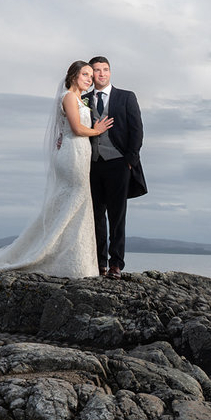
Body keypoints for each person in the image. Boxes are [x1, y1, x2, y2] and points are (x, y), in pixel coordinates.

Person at [0, 61, 114, 278]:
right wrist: (97, 131)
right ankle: (55, 254)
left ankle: (71, 256)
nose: (90, 79)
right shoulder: (69, 97)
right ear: (73, 76)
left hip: (80, 152)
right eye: (85, 74)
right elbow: (77, 128)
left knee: (77, 200)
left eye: (91, 75)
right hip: (72, 153)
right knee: (77, 196)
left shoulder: (80, 98)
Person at [85, 56, 145, 278]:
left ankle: (116, 264)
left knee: (117, 215)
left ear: (110, 72)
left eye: (105, 69)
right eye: (97, 70)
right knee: (96, 215)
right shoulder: (83, 99)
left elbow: (137, 130)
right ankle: (99, 263)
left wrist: (130, 160)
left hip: (119, 163)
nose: (102, 74)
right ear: (91, 74)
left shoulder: (126, 97)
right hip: (92, 164)